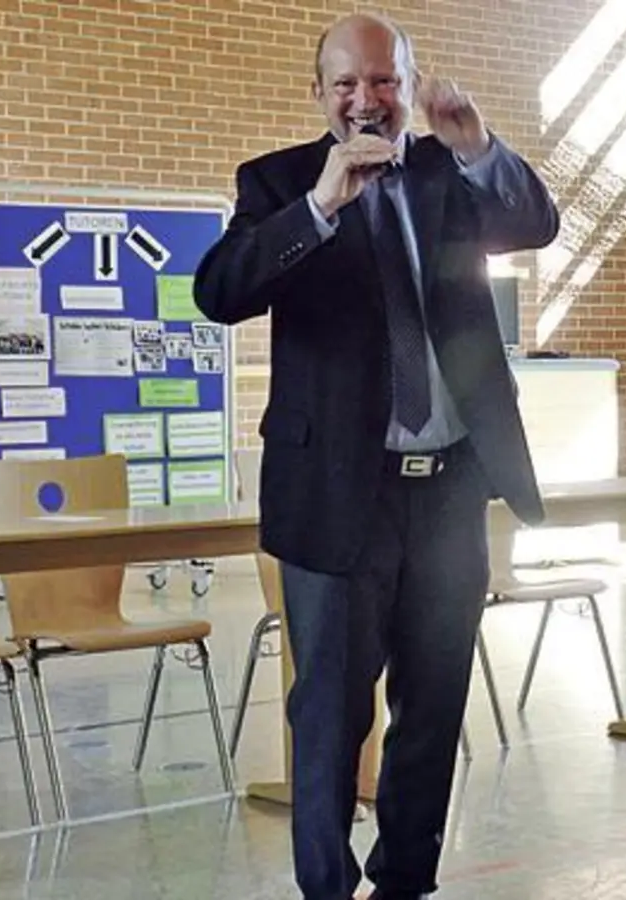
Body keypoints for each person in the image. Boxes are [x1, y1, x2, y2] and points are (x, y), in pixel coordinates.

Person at [193, 13, 558, 900]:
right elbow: (219, 291)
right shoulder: (279, 182)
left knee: (432, 708)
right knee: (330, 713)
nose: (367, 101)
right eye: (347, 85)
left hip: (448, 492)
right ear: (319, 95)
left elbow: (537, 224)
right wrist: (320, 207)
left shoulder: (448, 171)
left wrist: (478, 146)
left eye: (385, 81)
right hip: (336, 496)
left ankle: (405, 881)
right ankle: (326, 885)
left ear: (411, 82)